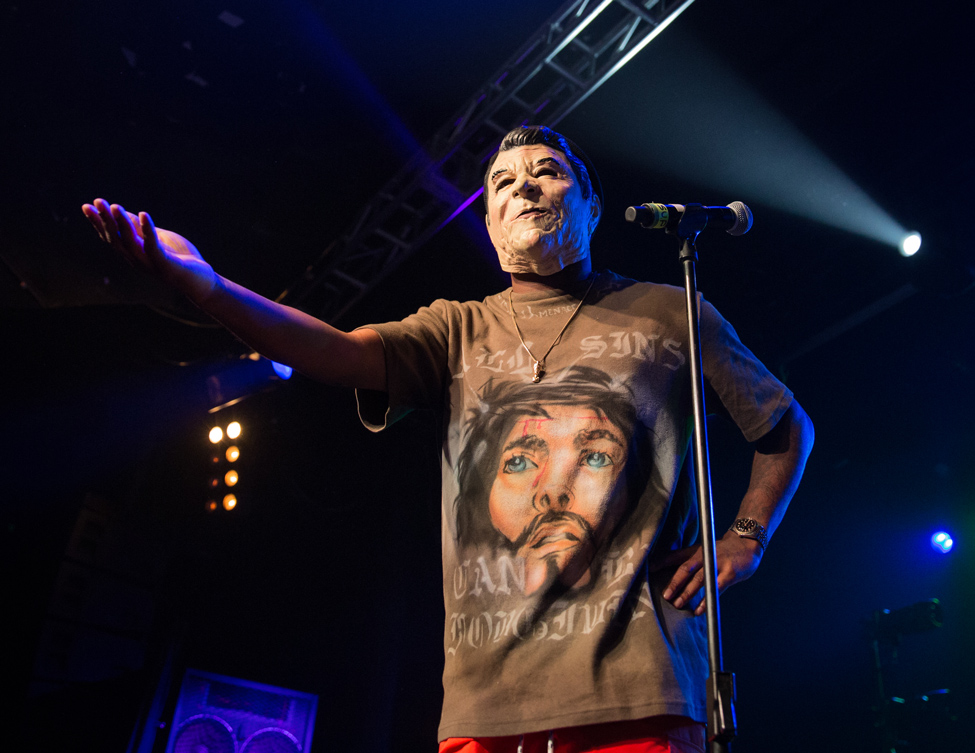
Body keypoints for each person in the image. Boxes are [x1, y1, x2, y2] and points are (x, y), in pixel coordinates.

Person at [83, 125, 813, 753]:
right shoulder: (456, 327)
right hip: (486, 702)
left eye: (547, 173)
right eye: (502, 183)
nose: (524, 188)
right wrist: (206, 285)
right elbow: (337, 352)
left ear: (590, 205)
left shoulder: (668, 311)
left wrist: (746, 534)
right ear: (490, 223)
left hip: (641, 691)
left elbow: (783, 426)